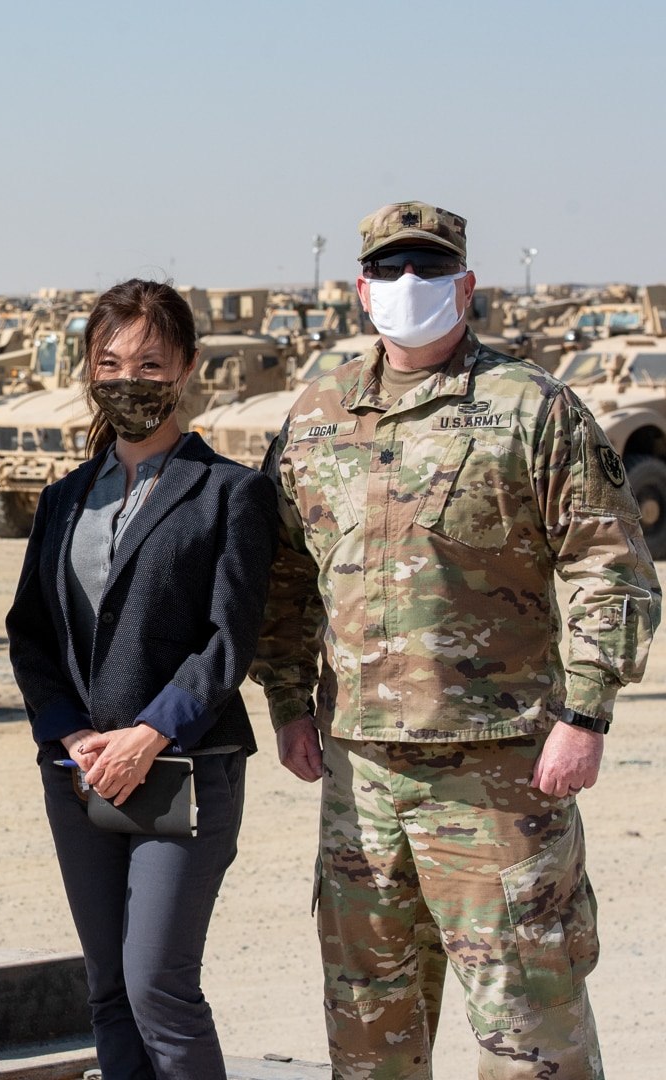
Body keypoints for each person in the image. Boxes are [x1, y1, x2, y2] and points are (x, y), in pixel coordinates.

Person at [251, 201, 661, 1079]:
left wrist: (585, 714)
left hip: (500, 778)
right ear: (361, 291)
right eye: (392, 271)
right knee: (369, 1039)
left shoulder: (532, 409)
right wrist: (287, 703)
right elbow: (282, 580)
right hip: (361, 784)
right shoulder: (318, 419)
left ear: (466, 286)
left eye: (430, 270)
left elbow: (611, 566)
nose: (410, 287)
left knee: (530, 1037)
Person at [6, 279, 279, 1079]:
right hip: (81, 771)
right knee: (108, 994)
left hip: (183, 770)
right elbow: (30, 635)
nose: (130, 379)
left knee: (157, 984)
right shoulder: (62, 502)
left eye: (151, 363)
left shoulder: (230, 493)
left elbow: (230, 640)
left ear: (188, 368)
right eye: (112, 361)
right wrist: (74, 733)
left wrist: (151, 731)